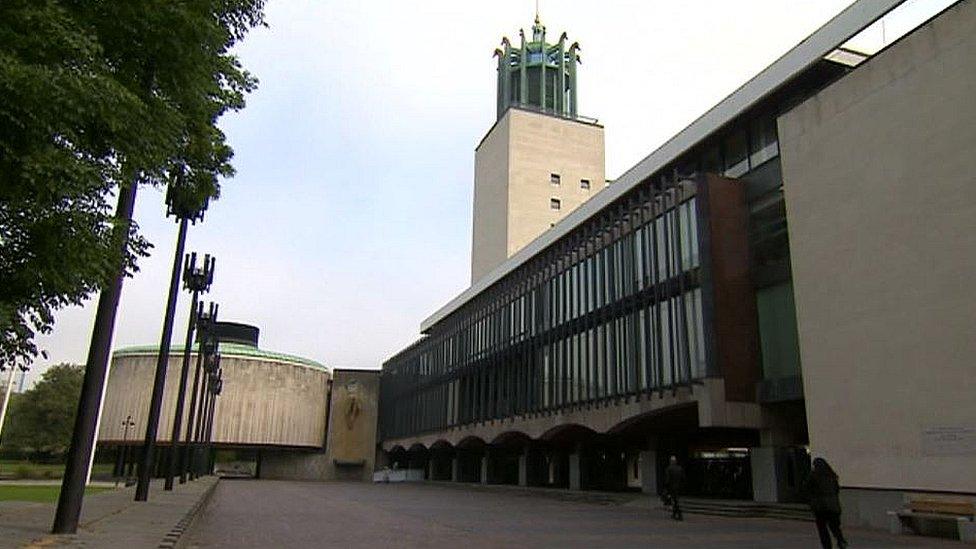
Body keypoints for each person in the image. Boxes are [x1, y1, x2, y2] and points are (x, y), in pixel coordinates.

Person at [805, 457, 848, 549]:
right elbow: (836, 490)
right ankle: (840, 540)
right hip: (833, 506)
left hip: (820, 506)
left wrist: (811, 501)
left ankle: (827, 546)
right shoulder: (832, 476)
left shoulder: (813, 476)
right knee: (834, 526)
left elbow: (807, 489)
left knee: (822, 529)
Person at [664, 455, 685, 521]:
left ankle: (679, 515)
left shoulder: (669, 468)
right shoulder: (680, 468)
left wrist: (666, 488)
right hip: (678, 487)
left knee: (675, 501)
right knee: (675, 500)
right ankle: (674, 513)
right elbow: (683, 478)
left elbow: (667, 480)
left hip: (672, 488)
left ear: (671, 461)